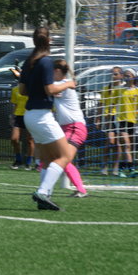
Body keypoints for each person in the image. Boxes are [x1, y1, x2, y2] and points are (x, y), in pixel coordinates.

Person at [19, 27, 76, 210]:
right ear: (49, 40)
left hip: (30, 115)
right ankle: (43, 192)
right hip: (42, 116)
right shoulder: (45, 62)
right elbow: (50, 89)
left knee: (48, 160)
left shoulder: (29, 62)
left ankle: (45, 198)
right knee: (65, 156)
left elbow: (22, 91)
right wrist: (68, 84)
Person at [52, 59, 88, 198]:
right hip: (67, 128)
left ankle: (81, 190)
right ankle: (80, 189)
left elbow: (47, 88)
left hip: (74, 127)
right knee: (61, 158)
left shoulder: (63, 84)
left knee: (63, 158)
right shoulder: (63, 84)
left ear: (57, 71)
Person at [115, 68, 138, 178]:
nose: (126, 77)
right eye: (125, 75)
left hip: (132, 121)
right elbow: (112, 103)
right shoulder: (119, 89)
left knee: (128, 147)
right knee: (126, 144)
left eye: (128, 75)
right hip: (120, 120)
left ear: (134, 77)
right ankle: (132, 169)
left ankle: (121, 169)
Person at [96, 66, 124, 176]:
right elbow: (101, 104)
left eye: (116, 74)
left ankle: (115, 167)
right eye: (112, 74)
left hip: (121, 117)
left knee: (118, 143)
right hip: (109, 117)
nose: (113, 76)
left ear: (121, 75)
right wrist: (98, 118)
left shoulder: (123, 88)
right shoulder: (106, 88)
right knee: (110, 141)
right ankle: (104, 165)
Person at [9, 84, 35, 170]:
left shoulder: (32, 88)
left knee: (30, 140)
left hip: (30, 115)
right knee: (14, 139)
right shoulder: (15, 89)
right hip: (18, 116)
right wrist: (12, 116)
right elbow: (15, 104)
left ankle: (28, 162)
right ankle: (18, 160)